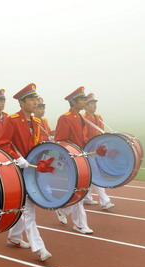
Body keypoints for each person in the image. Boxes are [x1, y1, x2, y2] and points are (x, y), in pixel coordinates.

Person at [0, 83, 52, 261]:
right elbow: (1, 143)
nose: (35, 102)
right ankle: (40, 247)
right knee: (28, 210)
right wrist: (17, 157)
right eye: (32, 99)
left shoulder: (37, 122)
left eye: (36, 99)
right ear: (22, 102)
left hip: (33, 170)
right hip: (18, 170)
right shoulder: (12, 120)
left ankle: (14, 237)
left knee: (27, 206)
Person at [54, 86, 94, 234]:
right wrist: (72, 155)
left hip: (81, 158)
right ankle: (80, 223)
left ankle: (62, 209)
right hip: (71, 160)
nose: (84, 101)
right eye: (82, 99)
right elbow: (60, 140)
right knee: (79, 191)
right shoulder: (65, 118)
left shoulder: (81, 118)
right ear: (73, 102)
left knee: (79, 190)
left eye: (84, 99)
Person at [82, 93, 115, 210]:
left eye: (95, 103)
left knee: (91, 175)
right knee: (97, 174)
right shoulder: (84, 119)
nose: (94, 105)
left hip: (99, 150)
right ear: (85, 106)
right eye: (91, 103)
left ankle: (86, 197)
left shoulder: (99, 117)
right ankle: (105, 201)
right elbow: (83, 136)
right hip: (90, 150)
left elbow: (102, 132)